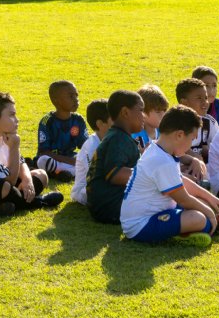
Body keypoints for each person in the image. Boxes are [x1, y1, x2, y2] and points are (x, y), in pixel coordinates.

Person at [121, 105, 219, 246]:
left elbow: (181, 181)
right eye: (192, 139)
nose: (190, 145)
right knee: (199, 218)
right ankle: (182, 235)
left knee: (203, 205)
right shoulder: (161, 161)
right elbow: (184, 199)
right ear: (179, 135)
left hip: (152, 214)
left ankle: (190, 227)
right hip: (141, 226)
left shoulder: (159, 149)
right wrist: (210, 214)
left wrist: (210, 198)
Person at [86, 90, 145, 224]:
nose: (144, 116)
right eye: (141, 110)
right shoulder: (118, 138)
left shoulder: (119, 136)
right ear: (125, 112)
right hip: (111, 206)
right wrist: (151, 175)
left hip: (107, 205)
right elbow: (115, 174)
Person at [35, 80, 89, 182]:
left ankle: (61, 173)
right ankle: (71, 172)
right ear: (56, 101)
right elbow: (43, 152)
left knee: (90, 159)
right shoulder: (47, 121)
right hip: (53, 159)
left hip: (70, 158)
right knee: (43, 161)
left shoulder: (78, 120)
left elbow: (85, 146)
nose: (76, 100)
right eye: (71, 96)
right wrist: (72, 161)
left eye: (76, 95)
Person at [70, 99, 112, 205]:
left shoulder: (110, 140)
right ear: (100, 124)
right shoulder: (91, 146)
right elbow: (96, 177)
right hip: (84, 192)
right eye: (114, 119)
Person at [176, 78, 219, 163]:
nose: (205, 102)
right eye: (199, 98)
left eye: (206, 98)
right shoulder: (175, 123)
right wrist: (194, 157)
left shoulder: (209, 122)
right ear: (184, 103)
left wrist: (208, 152)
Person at [131, 84, 169, 151]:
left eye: (164, 110)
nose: (164, 115)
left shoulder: (165, 132)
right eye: (158, 112)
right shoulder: (135, 136)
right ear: (143, 112)